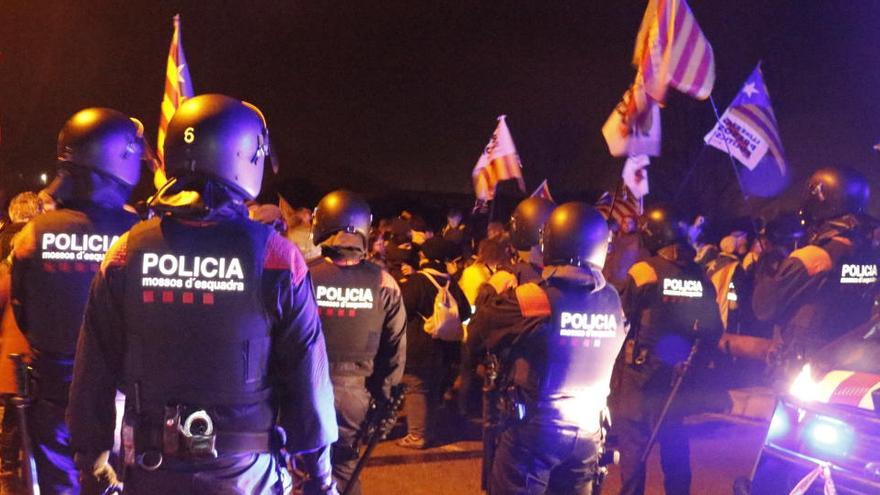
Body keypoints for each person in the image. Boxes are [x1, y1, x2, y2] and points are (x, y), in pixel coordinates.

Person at [66, 94, 338, 494]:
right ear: (245, 155)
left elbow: (94, 369)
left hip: (151, 469)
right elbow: (307, 378)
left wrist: (91, 461)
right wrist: (319, 477)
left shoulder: (126, 252)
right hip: (245, 475)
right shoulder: (277, 256)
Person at [8, 108, 145, 494]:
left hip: (53, 393)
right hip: (120, 399)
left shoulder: (33, 234)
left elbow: (23, 310)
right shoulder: (139, 236)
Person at [468, 202, 627, 494]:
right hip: (590, 432)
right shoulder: (613, 300)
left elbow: (478, 331)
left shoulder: (532, 298)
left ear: (550, 242)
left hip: (535, 432)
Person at [609, 204, 722, 495]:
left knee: (634, 444)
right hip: (680, 377)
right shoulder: (700, 276)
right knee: (675, 442)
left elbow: (620, 318)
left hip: (641, 377)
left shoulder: (644, 272)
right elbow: (714, 330)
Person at [308, 190, 406, 494]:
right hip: (356, 395)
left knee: (305, 470)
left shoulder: (302, 275)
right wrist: (385, 402)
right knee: (346, 470)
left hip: (307, 389)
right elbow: (394, 351)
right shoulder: (383, 282)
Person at [753, 167, 879, 373]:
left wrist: (765, 266)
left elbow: (763, 308)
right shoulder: (872, 255)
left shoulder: (814, 257)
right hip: (853, 363)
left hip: (806, 366)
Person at [399, 237, 471, 449]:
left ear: (425, 257)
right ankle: (428, 431)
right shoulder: (451, 283)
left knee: (415, 387)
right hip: (445, 348)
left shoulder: (417, 281)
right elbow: (465, 311)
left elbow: (402, 308)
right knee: (432, 389)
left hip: (418, 346)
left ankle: (416, 435)